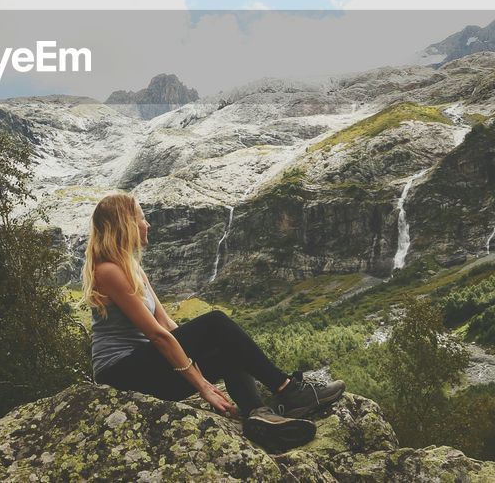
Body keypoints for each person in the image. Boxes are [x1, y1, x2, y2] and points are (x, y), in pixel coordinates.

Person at [81, 192, 346, 453]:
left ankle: (260, 417)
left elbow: (168, 323)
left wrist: (200, 362)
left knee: (228, 350)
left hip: (148, 369)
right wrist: (203, 386)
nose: (147, 224)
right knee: (215, 322)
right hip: (120, 374)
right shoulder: (108, 271)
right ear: (126, 225)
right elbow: (158, 335)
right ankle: (289, 389)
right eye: (142, 218)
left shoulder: (132, 268)